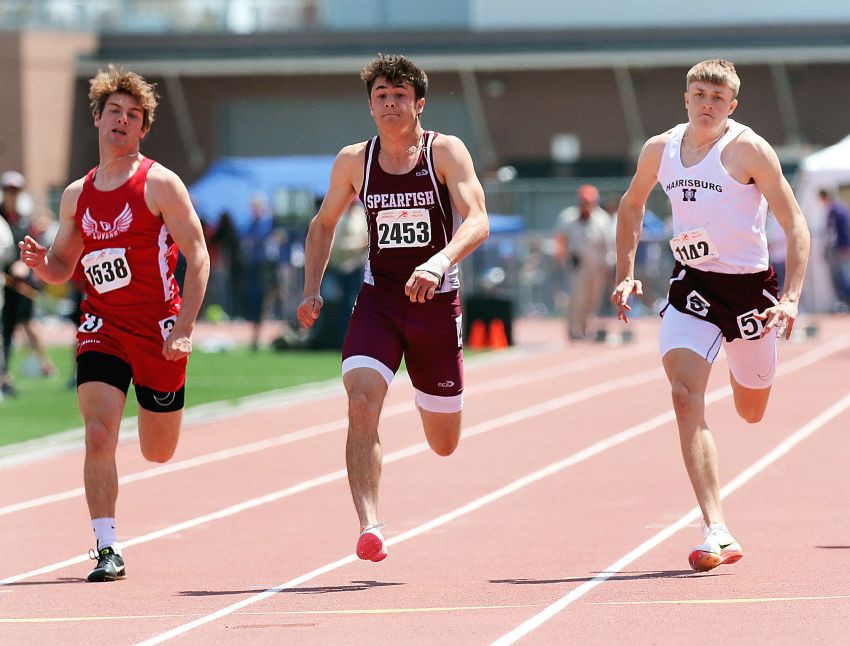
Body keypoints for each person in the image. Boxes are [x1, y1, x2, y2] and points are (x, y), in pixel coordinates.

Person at [611, 59, 810, 572]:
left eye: (717, 98)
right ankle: (715, 526)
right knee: (683, 394)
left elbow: (795, 224)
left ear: (732, 105)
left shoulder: (748, 149)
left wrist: (789, 298)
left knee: (751, 409)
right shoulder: (661, 148)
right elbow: (631, 206)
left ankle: (752, 376)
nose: (707, 104)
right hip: (693, 285)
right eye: (699, 94)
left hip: (750, 294)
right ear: (685, 97)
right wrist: (626, 271)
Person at [18, 64, 210, 582]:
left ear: (144, 128)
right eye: (114, 112)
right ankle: (107, 548)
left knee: (158, 450)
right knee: (99, 434)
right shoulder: (77, 195)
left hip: (159, 332)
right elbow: (64, 264)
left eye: (133, 115)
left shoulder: (161, 184)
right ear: (98, 120)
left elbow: (199, 256)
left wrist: (185, 324)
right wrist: (43, 263)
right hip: (101, 324)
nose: (122, 121)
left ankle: (164, 401)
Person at [296, 53, 489, 563]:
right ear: (370, 106)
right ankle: (370, 524)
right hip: (379, 301)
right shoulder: (354, 161)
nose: (389, 103)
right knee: (360, 402)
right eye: (381, 96)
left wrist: (439, 261)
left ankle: (438, 396)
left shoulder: (444, 152)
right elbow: (322, 224)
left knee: (444, 442)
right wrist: (311, 288)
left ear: (418, 103)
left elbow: (477, 220)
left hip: (435, 304)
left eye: (399, 95)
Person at [1, 171, 56, 396]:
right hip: (4, 284)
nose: (12, 195)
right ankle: (4, 375)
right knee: (5, 329)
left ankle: (45, 363)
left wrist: (24, 265)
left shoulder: (25, 221)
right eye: (8, 190)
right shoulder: (1, 218)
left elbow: (35, 247)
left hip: (23, 283)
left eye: (16, 190)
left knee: (27, 323)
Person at [555, 184, 614, 340]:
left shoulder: (602, 219)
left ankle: (588, 328)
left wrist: (607, 265)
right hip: (577, 267)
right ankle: (574, 329)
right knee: (576, 299)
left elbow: (608, 245)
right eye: (583, 202)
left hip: (597, 268)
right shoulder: (568, 218)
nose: (586, 206)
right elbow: (561, 240)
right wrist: (562, 260)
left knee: (593, 300)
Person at [818, 189, 850, 308]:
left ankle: (846, 303)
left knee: (841, 277)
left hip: (838, 248)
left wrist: (844, 246)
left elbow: (841, 230)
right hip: (836, 247)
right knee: (839, 277)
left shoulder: (836, 210)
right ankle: (844, 303)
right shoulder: (837, 209)